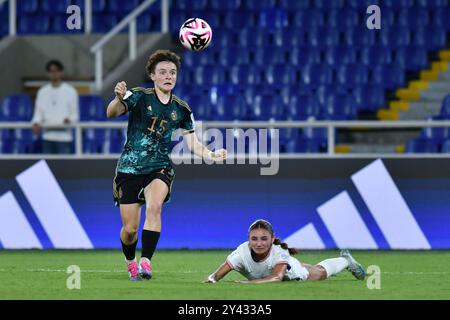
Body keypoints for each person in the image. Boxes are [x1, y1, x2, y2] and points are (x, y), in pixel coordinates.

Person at [106, 50, 227, 281]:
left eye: (172, 72)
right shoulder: (139, 96)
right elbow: (111, 113)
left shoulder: (181, 109)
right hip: (129, 169)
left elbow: (193, 144)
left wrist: (211, 154)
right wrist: (118, 98)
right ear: (152, 76)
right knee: (130, 230)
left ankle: (146, 261)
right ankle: (131, 261)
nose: (168, 76)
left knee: (154, 208)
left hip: (159, 167)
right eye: (162, 72)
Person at [205, 219, 366, 284]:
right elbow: (216, 275)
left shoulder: (279, 251)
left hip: (291, 274)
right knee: (312, 267)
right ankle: (345, 261)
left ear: (272, 238)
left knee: (319, 273)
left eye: (264, 238)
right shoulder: (241, 252)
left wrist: (246, 283)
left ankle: (345, 261)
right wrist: (211, 281)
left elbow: (276, 277)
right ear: (248, 239)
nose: (259, 243)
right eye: (254, 239)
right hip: (275, 270)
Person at [31, 60, 79, 154]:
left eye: (56, 71)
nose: (54, 74)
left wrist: (69, 120)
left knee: (64, 167)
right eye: (51, 71)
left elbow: (75, 115)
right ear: (48, 73)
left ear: (61, 72)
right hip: (47, 136)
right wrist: (36, 122)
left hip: (64, 137)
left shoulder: (70, 91)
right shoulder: (42, 92)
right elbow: (38, 113)